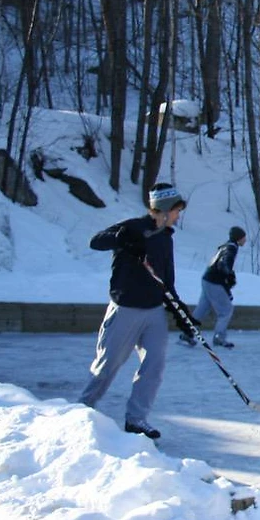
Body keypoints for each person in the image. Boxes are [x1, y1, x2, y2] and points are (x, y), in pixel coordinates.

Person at [79, 183, 190, 439]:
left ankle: (136, 419)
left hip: (154, 312)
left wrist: (179, 311)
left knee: (154, 366)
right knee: (108, 365)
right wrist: (121, 239)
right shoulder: (132, 227)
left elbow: (166, 280)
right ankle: (82, 409)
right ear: (164, 209)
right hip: (125, 309)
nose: (178, 216)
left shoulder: (165, 237)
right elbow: (95, 242)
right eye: (176, 210)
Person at [180, 226, 246, 349]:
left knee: (202, 309)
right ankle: (219, 338)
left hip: (207, 279)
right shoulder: (231, 248)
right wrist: (229, 275)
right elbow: (223, 264)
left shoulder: (225, 246)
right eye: (243, 237)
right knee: (226, 310)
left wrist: (228, 277)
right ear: (239, 238)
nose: (245, 240)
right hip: (214, 281)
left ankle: (187, 334)